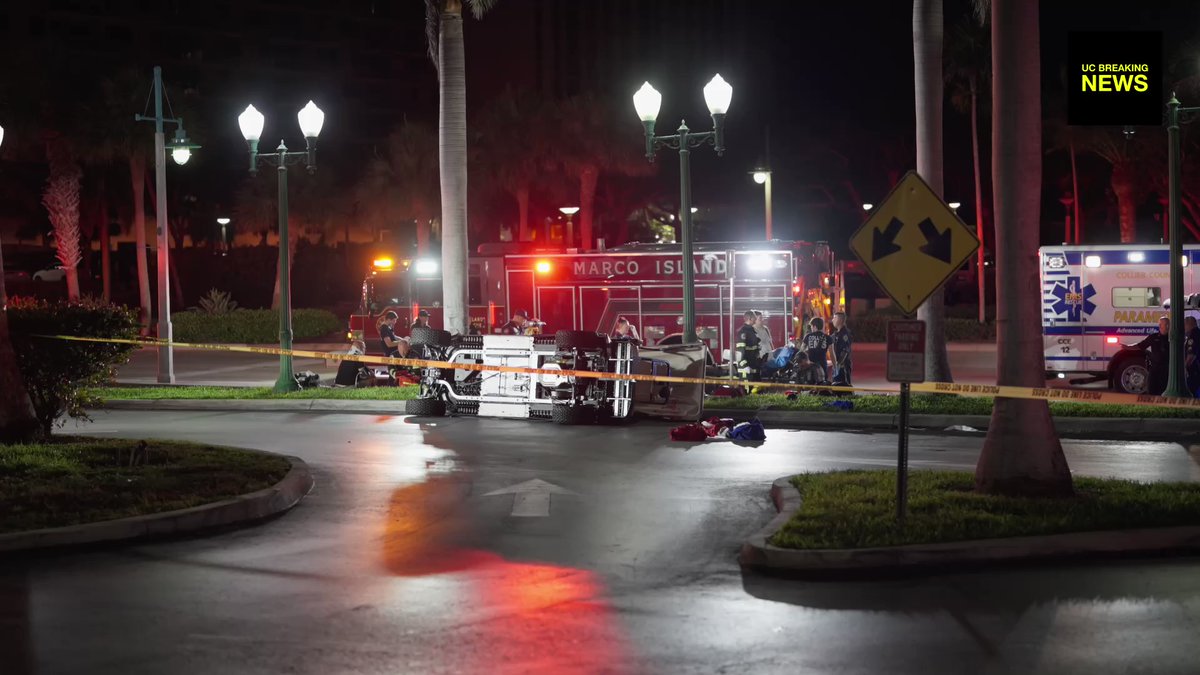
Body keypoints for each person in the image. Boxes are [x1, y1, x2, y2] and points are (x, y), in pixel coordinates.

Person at [1135, 316, 1171, 396]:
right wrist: (1128, 347)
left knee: (1164, 390)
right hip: (1155, 369)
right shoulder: (1153, 337)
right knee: (1152, 389)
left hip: (1167, 369)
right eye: (1164, 324)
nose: (1166, 326)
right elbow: (1141, 345)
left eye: (1167, 324)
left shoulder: (1172, 338)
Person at [800, 317, 831, 382]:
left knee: (811, 381)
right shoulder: (828, 337)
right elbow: (832, 353)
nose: (811, 328)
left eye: (811, 326)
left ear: (815, 326)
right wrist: (835, 366)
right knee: (823, 382)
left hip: (810, 364)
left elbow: (801, 351)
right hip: (823, 364)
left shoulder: (808, 336)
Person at [736, 310, 762, 381]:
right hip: (746, 370)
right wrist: (744, 366)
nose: (756, 319)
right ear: (750, 318)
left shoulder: (752, 331)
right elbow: (740, 351)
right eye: (754, 318)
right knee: (747, 390)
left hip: (753, 366)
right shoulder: (743, 332)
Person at [830, 311, 853, 386]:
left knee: (845, 386)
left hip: (843, 365)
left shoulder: (845, 334)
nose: (832, 320)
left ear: (840, 320)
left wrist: (838, 364)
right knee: (836, 385)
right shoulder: (836, 334)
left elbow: (845, 350)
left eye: (834, 318)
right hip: (837, 365)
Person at [1188, 316, 1200, 395]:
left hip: (1194, 369)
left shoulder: (1193, 334)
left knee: (1191, 390)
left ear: (1189, 324)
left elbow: (1191, 355)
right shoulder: (1198, 333)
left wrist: (1185, 367)